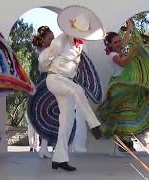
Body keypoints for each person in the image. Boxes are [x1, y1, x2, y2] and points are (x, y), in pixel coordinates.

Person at [38, 5, 105, 171]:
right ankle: (94, 125)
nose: (81, 36)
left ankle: (59, 158)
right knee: (78, 90)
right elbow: (43, 60)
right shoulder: (60, 40)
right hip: (54, 79)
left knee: (67, 122)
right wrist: (47, 67)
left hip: (66, 81)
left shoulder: (78, 44)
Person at [98, 19, 149, 152]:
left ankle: (127, 142)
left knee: (130, 113)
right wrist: (134, 50)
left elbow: (126, 39)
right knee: (123, 115)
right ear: (110, 45)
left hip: (127, 87)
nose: (119, 43)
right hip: (118, 88)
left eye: (119, 41)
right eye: (115, 42)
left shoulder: (119, 49)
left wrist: (129, 28)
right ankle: (124, 143)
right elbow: (123, 63)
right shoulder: (112, 55)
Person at [29, 25, 54, 158]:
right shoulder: (46, 52)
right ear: (44, 40)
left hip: (49, 81)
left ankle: (44, 147)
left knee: (49, 115)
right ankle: (43, 147)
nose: (53, 40)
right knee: (47, 115)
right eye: (50, 38)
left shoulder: (49, 50)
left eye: (53, 38)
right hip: (47, 83)